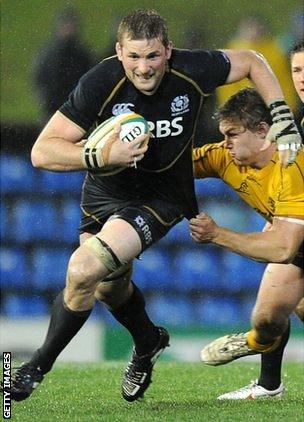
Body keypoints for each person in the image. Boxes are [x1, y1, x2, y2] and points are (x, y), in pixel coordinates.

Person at [2, 9, 301, 403]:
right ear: (119, 52)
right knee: (108, 287)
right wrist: (101, 154)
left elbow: (250, 61)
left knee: (83, 268)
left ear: (168, 50)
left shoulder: (191, 70)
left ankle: (32, 369)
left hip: (159, 196)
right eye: (135, 57)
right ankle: (148, 341)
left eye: (153, 57)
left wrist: (281, 115)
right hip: (103, 191)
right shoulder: (100, 82)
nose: (144, 69)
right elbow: (43, 152)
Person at [190, 85, 303, 399]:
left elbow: (282, 249)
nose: (225, 143)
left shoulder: (292, 165)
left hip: (292, 244)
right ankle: (268, 385)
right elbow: (174, 167)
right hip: (297, 246)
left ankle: (253, 345)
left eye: (233, 134)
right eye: (224, 134)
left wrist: (217, 234)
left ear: (263, 131)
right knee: (266, 319)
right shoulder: (226, 158)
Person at [216, 15, 298, 113]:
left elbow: (285, 81)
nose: (253, 32)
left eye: (255, 27)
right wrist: (232, 111)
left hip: (275, 109)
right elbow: (226, 88)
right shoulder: (231, 53)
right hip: (244, 114)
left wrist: (287, 106)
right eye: (249, 28)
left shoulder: (275, 51)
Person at [32, 7, 94, 123]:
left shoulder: (82, 54)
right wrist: (46, 99)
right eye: (66, 25)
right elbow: (39, 78)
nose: (68, 29)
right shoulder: (49, 53)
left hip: (75, 108)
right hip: (54, 107)